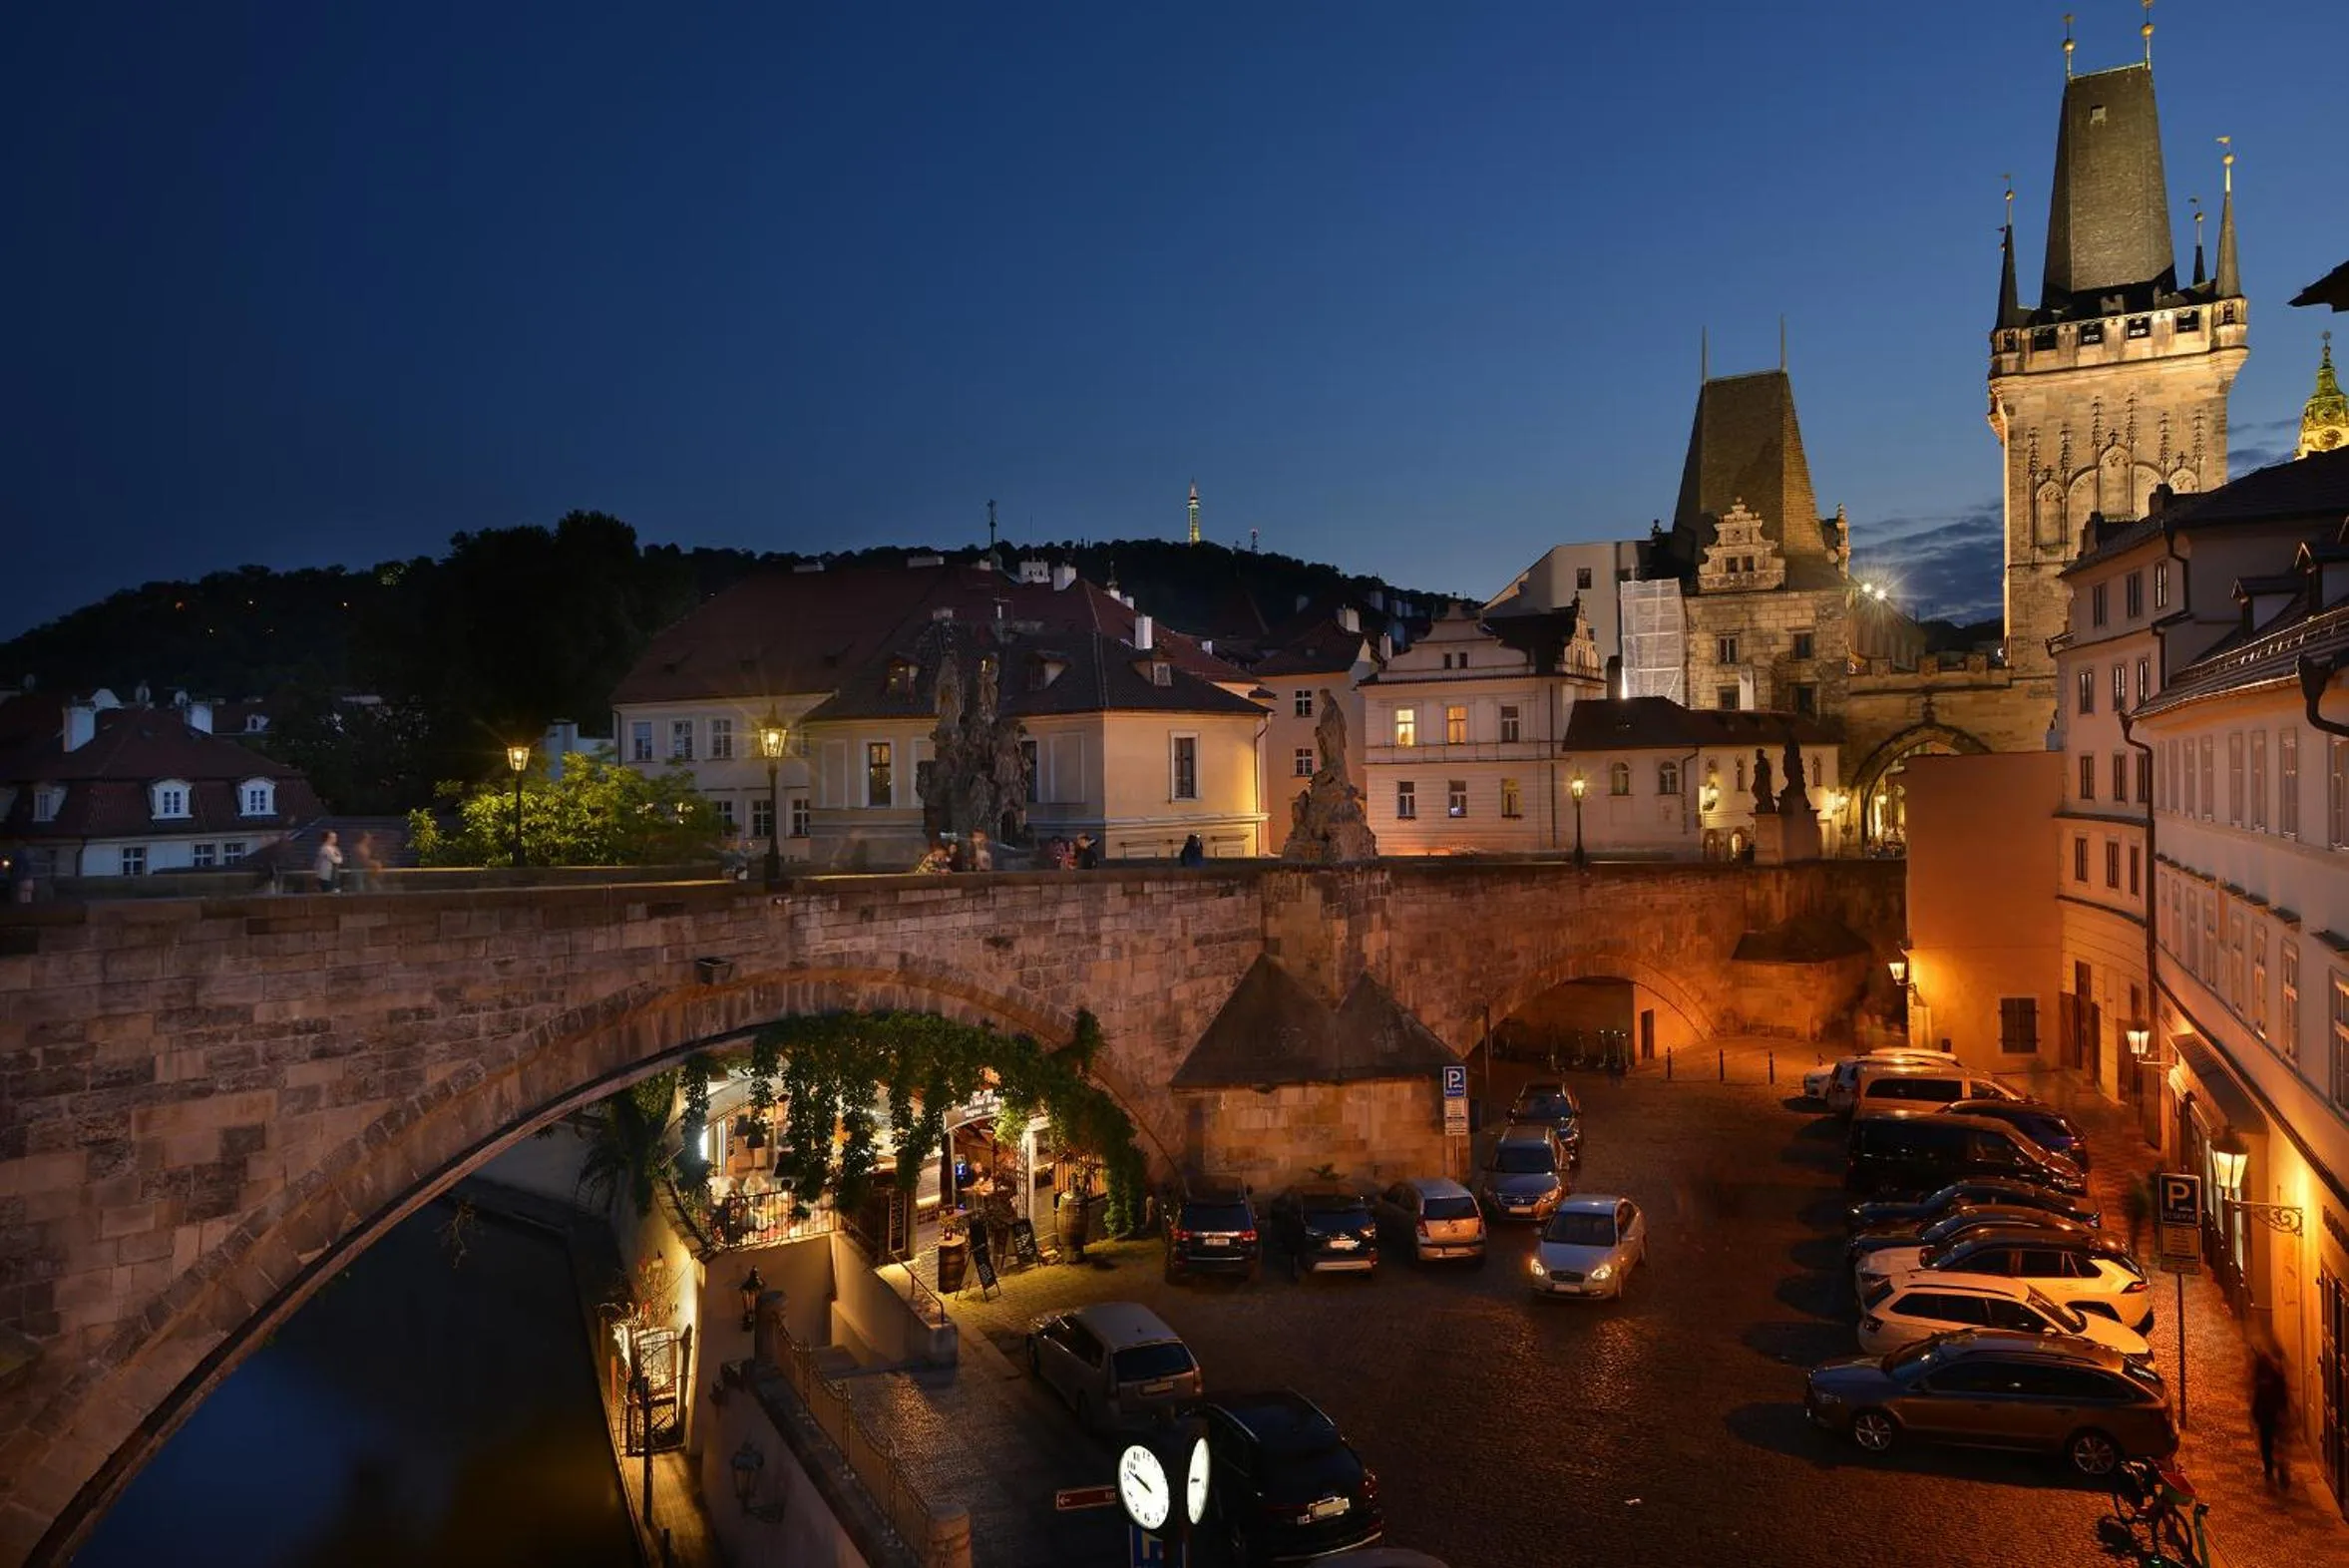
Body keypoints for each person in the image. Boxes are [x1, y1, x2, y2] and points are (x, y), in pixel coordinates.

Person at [2251, 1343, 2291, 1488]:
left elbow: (2282, 1394)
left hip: (2272, 1413)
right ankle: (2271, 1472)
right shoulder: (2269, 1370)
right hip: (2267, 1413)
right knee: (2269, 1444)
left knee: (2274, 1444)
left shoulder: (2274, 1373)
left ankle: (2277, 1471)